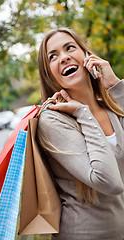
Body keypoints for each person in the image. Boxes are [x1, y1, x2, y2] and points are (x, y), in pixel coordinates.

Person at [37, 27, 124, 240]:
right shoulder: (52, 120)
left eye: (70, 48)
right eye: (53, 56)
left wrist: (115, 87)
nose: (64, 57)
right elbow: (109, 182)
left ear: (86, 56)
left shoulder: (111, 108)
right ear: (49, 74)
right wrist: (82, 113)